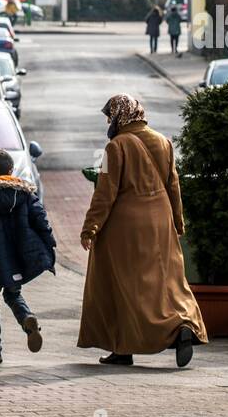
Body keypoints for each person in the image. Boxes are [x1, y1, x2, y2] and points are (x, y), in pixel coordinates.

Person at [78, 95, 207, 368]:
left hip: (124, 226)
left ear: (118, 116)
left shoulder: (115, 148)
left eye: (109, 116)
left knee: (123, 286)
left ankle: (122, 348)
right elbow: (174, 186)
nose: (108, 122)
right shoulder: (163, 141)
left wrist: (90, 227)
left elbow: (105, 193)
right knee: (166, 281)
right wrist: (178, 222)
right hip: (161, 221)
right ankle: (182, 324)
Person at [0, 148, 56, 364]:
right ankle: (26, 319)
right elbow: (42, 222)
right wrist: (49, 247)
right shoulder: (25, 194)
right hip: (16, 259)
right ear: (11, 170)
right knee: (13, 294)